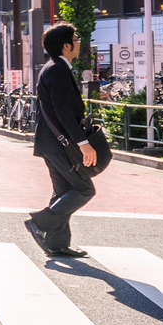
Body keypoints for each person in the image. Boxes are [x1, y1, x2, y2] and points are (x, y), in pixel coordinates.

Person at [25, 22, 97, 261]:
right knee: (84, 188)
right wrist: (83, 142)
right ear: (66, 46)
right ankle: (40, 221)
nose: (79, 41)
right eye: (76, 38)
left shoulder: (53, 67)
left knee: (63, 190)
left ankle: (57, 244)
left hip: (50, 141)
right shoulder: (57, 69)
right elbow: (63, 110)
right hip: (59, 143)